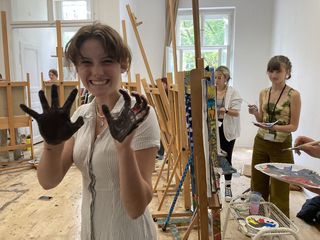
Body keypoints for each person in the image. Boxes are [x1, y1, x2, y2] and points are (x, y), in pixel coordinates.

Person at [20, 23, 160, 239]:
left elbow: (136, 208)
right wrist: (51, 142)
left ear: (123, 65)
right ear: (76, 66)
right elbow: (49, 181)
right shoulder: (81, 115)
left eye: (107, 61)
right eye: (86, 62)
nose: (96, 72)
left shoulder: (139, 115)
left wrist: (123, 151)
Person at [248, 55, 301, 216]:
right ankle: (256, 217)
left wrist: (274, 127)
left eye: (278, 71)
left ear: (288, 72)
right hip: (261, 141)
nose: (273, 75)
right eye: (270, 71)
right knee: (257, 181)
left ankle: (279, 221)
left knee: (280, 184)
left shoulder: (294, 95)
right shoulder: (264, 92)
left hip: (282, 144)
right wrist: (255, 113)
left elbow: (293, 126)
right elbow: (261, 119)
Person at [215, 66, 242, 202]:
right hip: (214, 128)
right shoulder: (210, 91)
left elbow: (236, 112)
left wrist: (224, 110)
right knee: (216, 158)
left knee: (226, 158)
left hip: (228, 130)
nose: (216, 80)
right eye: (215, 77)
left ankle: (228, 187)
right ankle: (217, 186)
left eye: (219, 77)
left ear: (226, 78)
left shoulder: (232, 92)